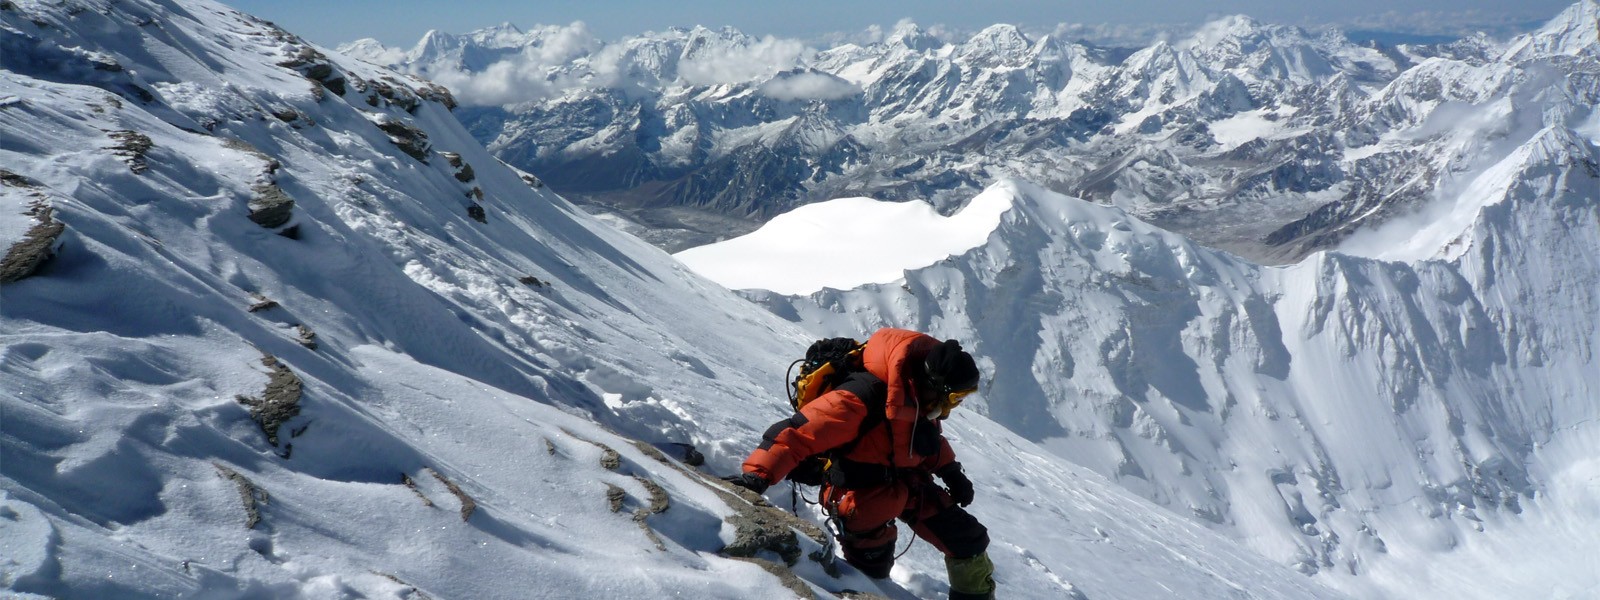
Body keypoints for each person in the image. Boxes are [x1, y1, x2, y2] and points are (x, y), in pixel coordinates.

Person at [726, 328, 997, 600]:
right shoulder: (862, 396)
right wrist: (757, 476)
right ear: (935, 384)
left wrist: (950, 472)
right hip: (862, 499)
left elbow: (926, 438)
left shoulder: (919, 396)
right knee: (871, 576)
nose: (954, 407)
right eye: (954, 398)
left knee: (969, 541)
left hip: (908, 485)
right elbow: (798, 434)